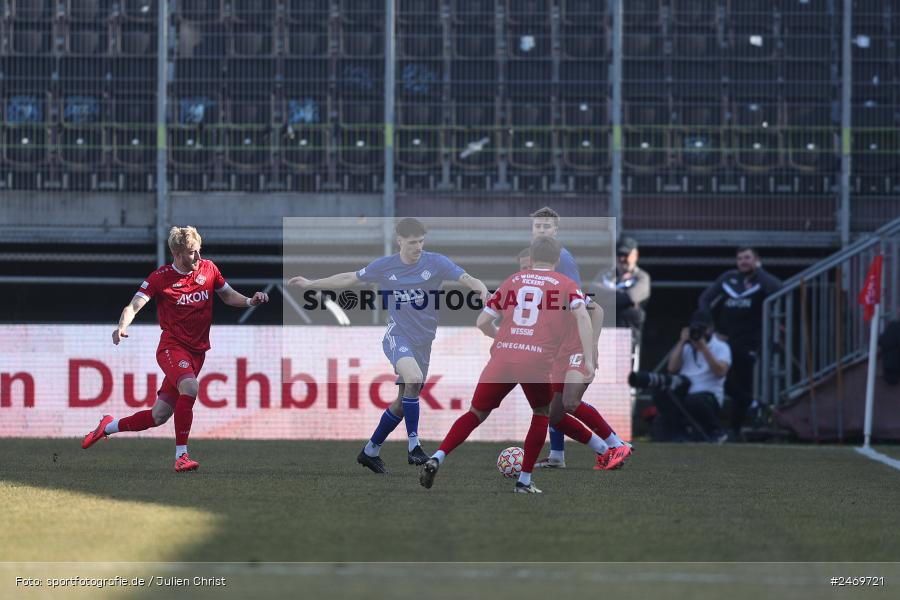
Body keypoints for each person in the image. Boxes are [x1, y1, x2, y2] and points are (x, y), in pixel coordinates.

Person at [288, 218, 489, 473]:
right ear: (400, 241)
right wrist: (311, 284)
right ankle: (414, 447)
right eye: (413, 242)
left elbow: (468, 278)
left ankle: (370, 451)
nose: (418, 247)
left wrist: (482, 291)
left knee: (402, 402)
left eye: (421, 241)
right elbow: (350, 278)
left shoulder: (435, 262)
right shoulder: (385, 266)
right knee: (414, 379)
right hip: (398, 336)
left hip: (424, 341)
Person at [81, 226, 270, 471]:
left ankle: (107, 426)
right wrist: (121, 327)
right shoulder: (160, 278)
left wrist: (249, 301)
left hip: (198, 352)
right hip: (172, 348)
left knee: (158, 416)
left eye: (199, 251)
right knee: (190, 386)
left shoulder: (208, 269)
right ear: (178, 253)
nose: (198, 257)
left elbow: (227, 295)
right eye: (193, 253)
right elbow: (133, 306)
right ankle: (182, 456)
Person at [419, 236, 595, 493]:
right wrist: (588, 358)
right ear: (557, 260)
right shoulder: (566, 284)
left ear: (531, 259)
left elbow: (481, 322)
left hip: (501, 357)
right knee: (541, 414)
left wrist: (502, 338)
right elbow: (582, 314)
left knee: (474, 414)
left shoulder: (512, 281)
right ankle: (524, 481)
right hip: (535, 360)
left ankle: (437, 456)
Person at [519, 248, 631, 471]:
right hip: (558, 355)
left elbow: (596, 310)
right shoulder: (528, 293)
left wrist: (593, 346)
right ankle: (603, 450)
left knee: (570, 402)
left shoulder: (560, 285)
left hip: (577, 347)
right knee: (554, 414)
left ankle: (616, 444)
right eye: (522, 268)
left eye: (528, 266)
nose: (526, 271)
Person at [699, 246, 781, 439]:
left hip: (748, 342)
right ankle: (752, 405)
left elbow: (779, 289)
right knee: (722, 380)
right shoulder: (728, 278)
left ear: (756, 259)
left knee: (743, 384)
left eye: (747, 258)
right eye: (740, 259)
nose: (743, 262)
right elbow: (704, 299)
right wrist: (708, 325)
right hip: (723, 340)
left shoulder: (762, 280)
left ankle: (735, 429)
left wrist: (759, 271)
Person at [652, 310, 731, 442]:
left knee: (694, 400)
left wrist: (704, 348)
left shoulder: (721, 347)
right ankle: (676, 433)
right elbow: (672, 368)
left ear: (710, 329)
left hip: (708, 396)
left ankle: (715, 431)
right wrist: (682, 342)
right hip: (685, 389)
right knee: (661, 392)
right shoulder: (687, 347)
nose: (699, 333)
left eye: (703, 329)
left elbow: (721, 372)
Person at [592, 235, 651, 348]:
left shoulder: (642, 277)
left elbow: (631, 296)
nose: (622, 259)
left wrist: (605, 295)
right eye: (619, 255)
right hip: (604, 334)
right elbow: (593, 290)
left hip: (629, 337)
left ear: (635, 255)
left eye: (626, 255)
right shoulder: (605, 274)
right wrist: (621, 293)